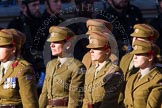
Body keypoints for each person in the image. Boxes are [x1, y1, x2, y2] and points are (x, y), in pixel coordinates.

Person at [39, 26, 86, 108]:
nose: (51, 45)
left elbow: (75, 99)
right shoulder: (50, 65)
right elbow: (44, 93)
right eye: (51, 42)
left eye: (56, 42)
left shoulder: (77, 67)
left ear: (68, 45)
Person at [7, 0, 45, 91]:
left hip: (42, 66)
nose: (37, 8)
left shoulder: (43, 23)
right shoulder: (16, 24)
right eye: (34, 5)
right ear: (24, 7)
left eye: (38, 5)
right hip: (23, 67)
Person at [82, 31, 123, 108]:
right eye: (91, 48)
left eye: (96, 48)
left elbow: (109, 101)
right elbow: (86, 99)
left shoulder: (114, 71)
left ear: (107, 51)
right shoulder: (90, 71)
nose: (91, 51)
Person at [0, 29, 38, 107]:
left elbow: (30, 103)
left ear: (13, 49)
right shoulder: (1, 68)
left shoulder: (23, 69)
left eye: (0, 47)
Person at [124, 40, 162, 108]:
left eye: (138, 54)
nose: (134, 57)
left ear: (150, 57)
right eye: (134, 54)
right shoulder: (131, 78)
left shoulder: (158, 80)